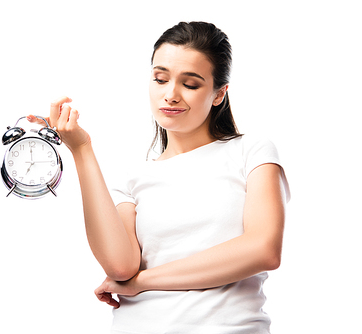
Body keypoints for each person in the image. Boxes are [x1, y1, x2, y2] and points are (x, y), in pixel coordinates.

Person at [29, 21, 290, 334]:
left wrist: (142, 282)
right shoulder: (134, 176)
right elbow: (120, 266)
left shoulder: (251, 151)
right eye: (160, 79)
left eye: (190, 84)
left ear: (219, 93)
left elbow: (263, 250)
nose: (171, 95)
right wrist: (82, 151)